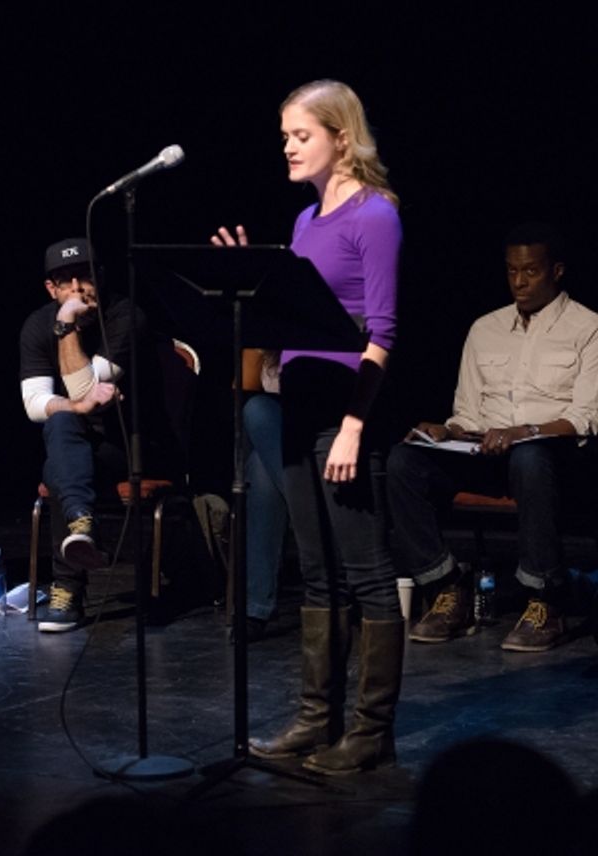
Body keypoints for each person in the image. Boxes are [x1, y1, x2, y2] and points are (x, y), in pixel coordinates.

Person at [212, 80, 404, 774]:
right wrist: (246, 277)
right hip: (296, 410)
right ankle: (315, 720)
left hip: (342, 414)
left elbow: (380, 334)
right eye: (286, 136)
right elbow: (290, 320)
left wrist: (354, 425)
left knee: (366, 574)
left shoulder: (374, 215)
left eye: (302, 135)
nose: (289, 147)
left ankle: (371, 733)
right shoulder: (303, 222)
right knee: (317, 575)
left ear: (341, 138)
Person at [388, 224, 598, 652]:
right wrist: (444, 431)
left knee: (530, 458)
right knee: (404, 461)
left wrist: (525, 433)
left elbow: (585, 417)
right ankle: (447, 585)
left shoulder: (588, 327)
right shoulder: (485, 328)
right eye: (511, 271)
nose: (519, 282)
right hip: (485, 449)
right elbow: (467, 412)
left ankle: (545, 600)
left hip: (557, 458)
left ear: (556, 271)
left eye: (531, 271)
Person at [19, 238, 135, 632]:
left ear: (99, 278)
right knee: (61, 430)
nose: (76, 288)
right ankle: (81, 521)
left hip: (127, 448)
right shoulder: (36, 325)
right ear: (51, 289)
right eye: (64, 281)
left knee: (60, 464)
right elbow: (34, 402)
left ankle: (67, 588)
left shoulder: (125, 316)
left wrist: (66, 324)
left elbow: (83, 388)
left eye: (84, 276)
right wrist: (77, 407)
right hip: (77, 450)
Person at [241, 349, 289, 642]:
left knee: (261, 469)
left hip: (331, 433)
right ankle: (310, 514)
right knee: (256, 409)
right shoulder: (272, 340)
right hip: (281, 439)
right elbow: (243, 387)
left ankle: (257, 607)